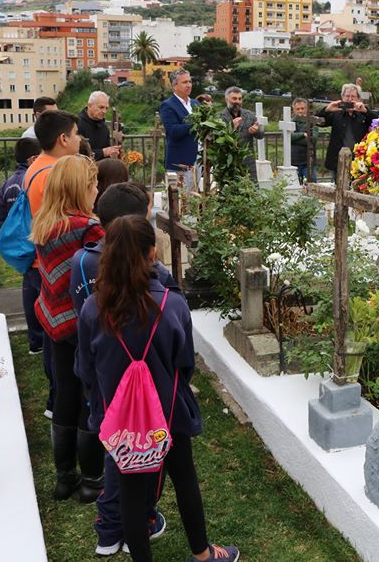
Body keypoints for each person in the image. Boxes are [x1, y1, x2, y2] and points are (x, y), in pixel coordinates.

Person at [77, 215, 240, 562]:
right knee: (184, 478)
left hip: (122, 422)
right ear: (152, 253)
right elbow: (185, 364)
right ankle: (202, 553)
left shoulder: (93, 309)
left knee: (131, 495)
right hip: (169, 412)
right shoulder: (172, 305)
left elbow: (86, 371)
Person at [71, 183, 175, 556]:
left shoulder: (91, 297)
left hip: (106, 395)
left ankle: (113, 528)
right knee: (139, 468)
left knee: (118, 459)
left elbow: (84, 360)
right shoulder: (163, 292)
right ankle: (125, 524)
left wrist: (94, 396)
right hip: (154, 401)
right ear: (151, 249)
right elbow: (183, 357)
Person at [31, 155, 106, 503]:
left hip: (53, 319)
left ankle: (65, 478)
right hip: (82, 324)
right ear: (81, 189)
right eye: (93, 186)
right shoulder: (88, 229)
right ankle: (92, 480)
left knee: (63, 393)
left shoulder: (44, 223)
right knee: (88, 396)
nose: (96, 192)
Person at [24, 110, 84, 418]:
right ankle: (58, 401)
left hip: (45, 262)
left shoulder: (37, 166)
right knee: (60, 344)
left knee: (53, 336)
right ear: (62, 139)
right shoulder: (53, 174)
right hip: (61, 265)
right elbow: (71, 221)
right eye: (75, 134)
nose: (79, 139)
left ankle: (58, 400)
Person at [0, 137, 42, 355]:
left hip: (19, 250)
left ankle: (35, 341)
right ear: (33, 158)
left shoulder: (8, 183)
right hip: (34, 247)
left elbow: (1, 218)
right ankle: (43, 339)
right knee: (41, 296)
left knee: (29, 293)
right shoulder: (32, 180)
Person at [316, 83, 372, 180]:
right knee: (338, 190)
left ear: (358, 99)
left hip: (359, 162)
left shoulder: (363, 114)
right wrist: (327, 109)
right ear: (342, 98)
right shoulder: (336, 114)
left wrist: (366, 111)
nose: (350, 99)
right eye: (347, 96)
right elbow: (318, 121)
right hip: (338, 161)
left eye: (353, 96)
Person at [160, 70, 200, 189]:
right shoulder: (168, 105)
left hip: (198, 161)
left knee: (195, 199)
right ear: (174, 85)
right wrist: (194, 124)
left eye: (190, 81)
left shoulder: (196, 104)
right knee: (181, 202)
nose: (189, 85)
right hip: (180, 162)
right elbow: (173, 131)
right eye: (184, 82)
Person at [220, 86, 260, 180]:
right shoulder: (219, 117)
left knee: (252, 191)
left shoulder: (249, 115)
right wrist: (231, 127)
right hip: (228, 163)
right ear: (227, 99)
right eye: (234, 98)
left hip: (248, 163)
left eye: (240, 99)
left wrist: (256, 131)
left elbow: (261, 134)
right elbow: (216, 137)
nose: (237, 101)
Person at [78, 91, 121, 161]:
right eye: (101, 107)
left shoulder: (104, 127)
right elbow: (76, 154)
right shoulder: (76, 124)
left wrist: (112, 152)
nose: (104, 111)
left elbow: (106, 152)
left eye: (106, 108)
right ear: (90, 105)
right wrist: (103, 152)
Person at [290, 98, 318, 184]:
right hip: (294, 162)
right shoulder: (290, 123)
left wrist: (295, 139)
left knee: (311, 187)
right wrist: (302, 134)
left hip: (308, 162)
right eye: (297, 109)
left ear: (306, 109)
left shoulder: (312, 122)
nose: (300, 111)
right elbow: (288, 138)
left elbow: (312, 140)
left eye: (302, 108)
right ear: (294, 110)